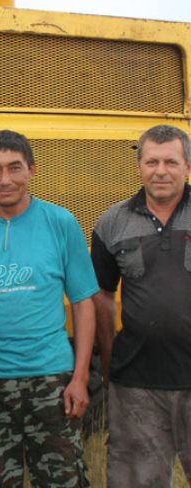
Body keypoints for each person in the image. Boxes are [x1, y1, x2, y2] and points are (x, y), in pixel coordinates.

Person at [0, 129, 97, 487]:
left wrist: (80, 377)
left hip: (51, 380)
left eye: (15, 168)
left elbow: (84, 303)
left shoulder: (61, 224)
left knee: (63, 480)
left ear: (32, 170)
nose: (5, 179)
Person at [91, 124, 191, 487]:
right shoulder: (111, 223)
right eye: (151, 162)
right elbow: (102, 296)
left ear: (187, 167)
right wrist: (109, 358)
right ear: (138, 167)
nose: (160, 171)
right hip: (137, 384)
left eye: (170, 162)